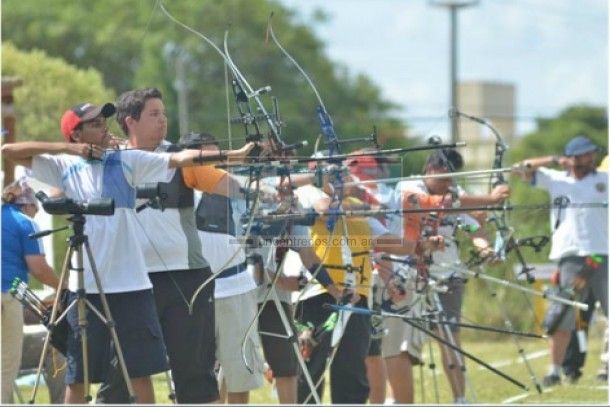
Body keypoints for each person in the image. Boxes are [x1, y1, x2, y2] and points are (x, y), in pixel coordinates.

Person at [1, 101, 254, 403]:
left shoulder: (128, 160)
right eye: (94, 124)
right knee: (78, 375)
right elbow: (8, 151)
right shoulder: (62, 165)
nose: (104, 127)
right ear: (76, 134)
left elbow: (181, 158)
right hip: (90, 287)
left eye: (103, 122)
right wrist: (70, 150)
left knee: (140, 371)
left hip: (133, 285)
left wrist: (233, 155)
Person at [95, 89, 232, 403]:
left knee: (195, 372)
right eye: (154, 114)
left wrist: (264, 186)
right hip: (131, 281)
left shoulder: (181, 157)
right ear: (131, 121)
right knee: (124, 371)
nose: (163, 120)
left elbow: (225, 182)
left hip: (185, 277)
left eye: (164, 113)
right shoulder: (112, 160)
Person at [388, 148, 507, 404]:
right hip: (408, 274)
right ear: (429, 169)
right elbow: (424, 203)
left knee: (449, 337)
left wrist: (486, 250)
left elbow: (474, 227)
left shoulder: (455, 193)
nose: (447, 185)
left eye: (451, 179)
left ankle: (460, 398)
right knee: (400, 341)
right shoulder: (407, 186)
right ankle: (395, 398)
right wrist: (490, 198)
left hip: (447, 275)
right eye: (442, 178)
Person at [513, 135, 608, 387]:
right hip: (570, 257)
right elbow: (520, 168)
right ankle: (554, 371)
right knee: (563, 316)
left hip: (602, 254)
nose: (591, 159)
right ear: (573, 158)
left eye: (591, 154)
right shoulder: (555, 179)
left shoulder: (604, 180)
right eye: (585, 155)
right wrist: (555, 160)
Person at [180, 131, 265, 404]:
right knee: (194, 372)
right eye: (211, 159)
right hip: (196, 291)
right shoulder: (181, 193)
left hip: (237, 287)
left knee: (240, 368)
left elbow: (271, 185)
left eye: (221, 158)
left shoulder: (236, 187)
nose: (218, 165)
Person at [1, 178, 60, 404]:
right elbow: (39, 269)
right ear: (28, 206)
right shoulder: (25, 222)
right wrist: (65, 286)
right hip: (9, 295)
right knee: (6, 366)